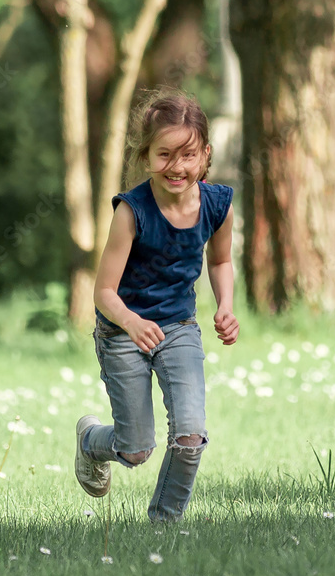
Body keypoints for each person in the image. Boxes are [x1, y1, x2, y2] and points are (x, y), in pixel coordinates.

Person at [75, 88, 239, 522]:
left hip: (179, 328)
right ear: (145, 155)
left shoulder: (218, 205)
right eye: (165, 155)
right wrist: (131, 322)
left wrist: (226, 305)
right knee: (134, 451)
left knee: (190, 437)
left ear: (205, 154)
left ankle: (163, 527)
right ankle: (91, 440)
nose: (177, 166)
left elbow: (220, 260)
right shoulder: (132, 212)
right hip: (122, 331)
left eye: (187, 155)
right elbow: (103, 292)